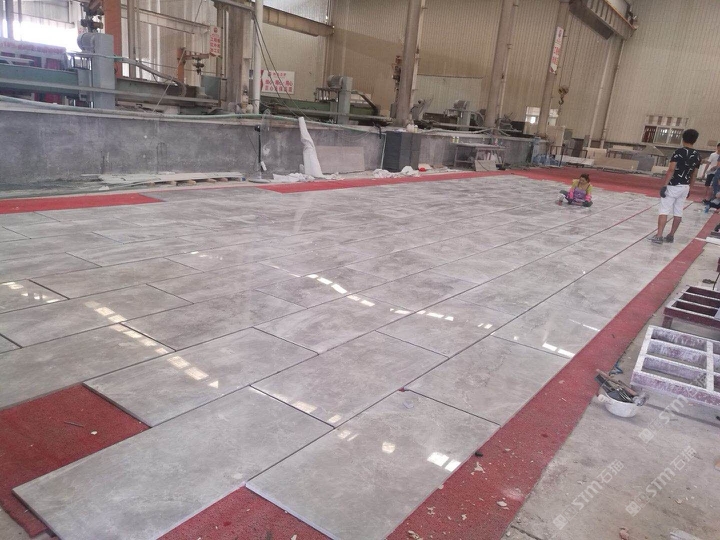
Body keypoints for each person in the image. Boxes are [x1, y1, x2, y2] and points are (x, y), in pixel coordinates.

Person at [652, 129, 701, 244]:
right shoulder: (697, 156)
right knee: (678, 212)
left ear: (683, 139)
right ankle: (671, 235)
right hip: (685, 186)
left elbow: (671, 169)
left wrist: (665, 185)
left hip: (673, 185)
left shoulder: (678, 152)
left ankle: (659, 236)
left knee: (664, 210)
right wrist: (690, 187)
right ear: (695, 140)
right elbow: (694, 174)